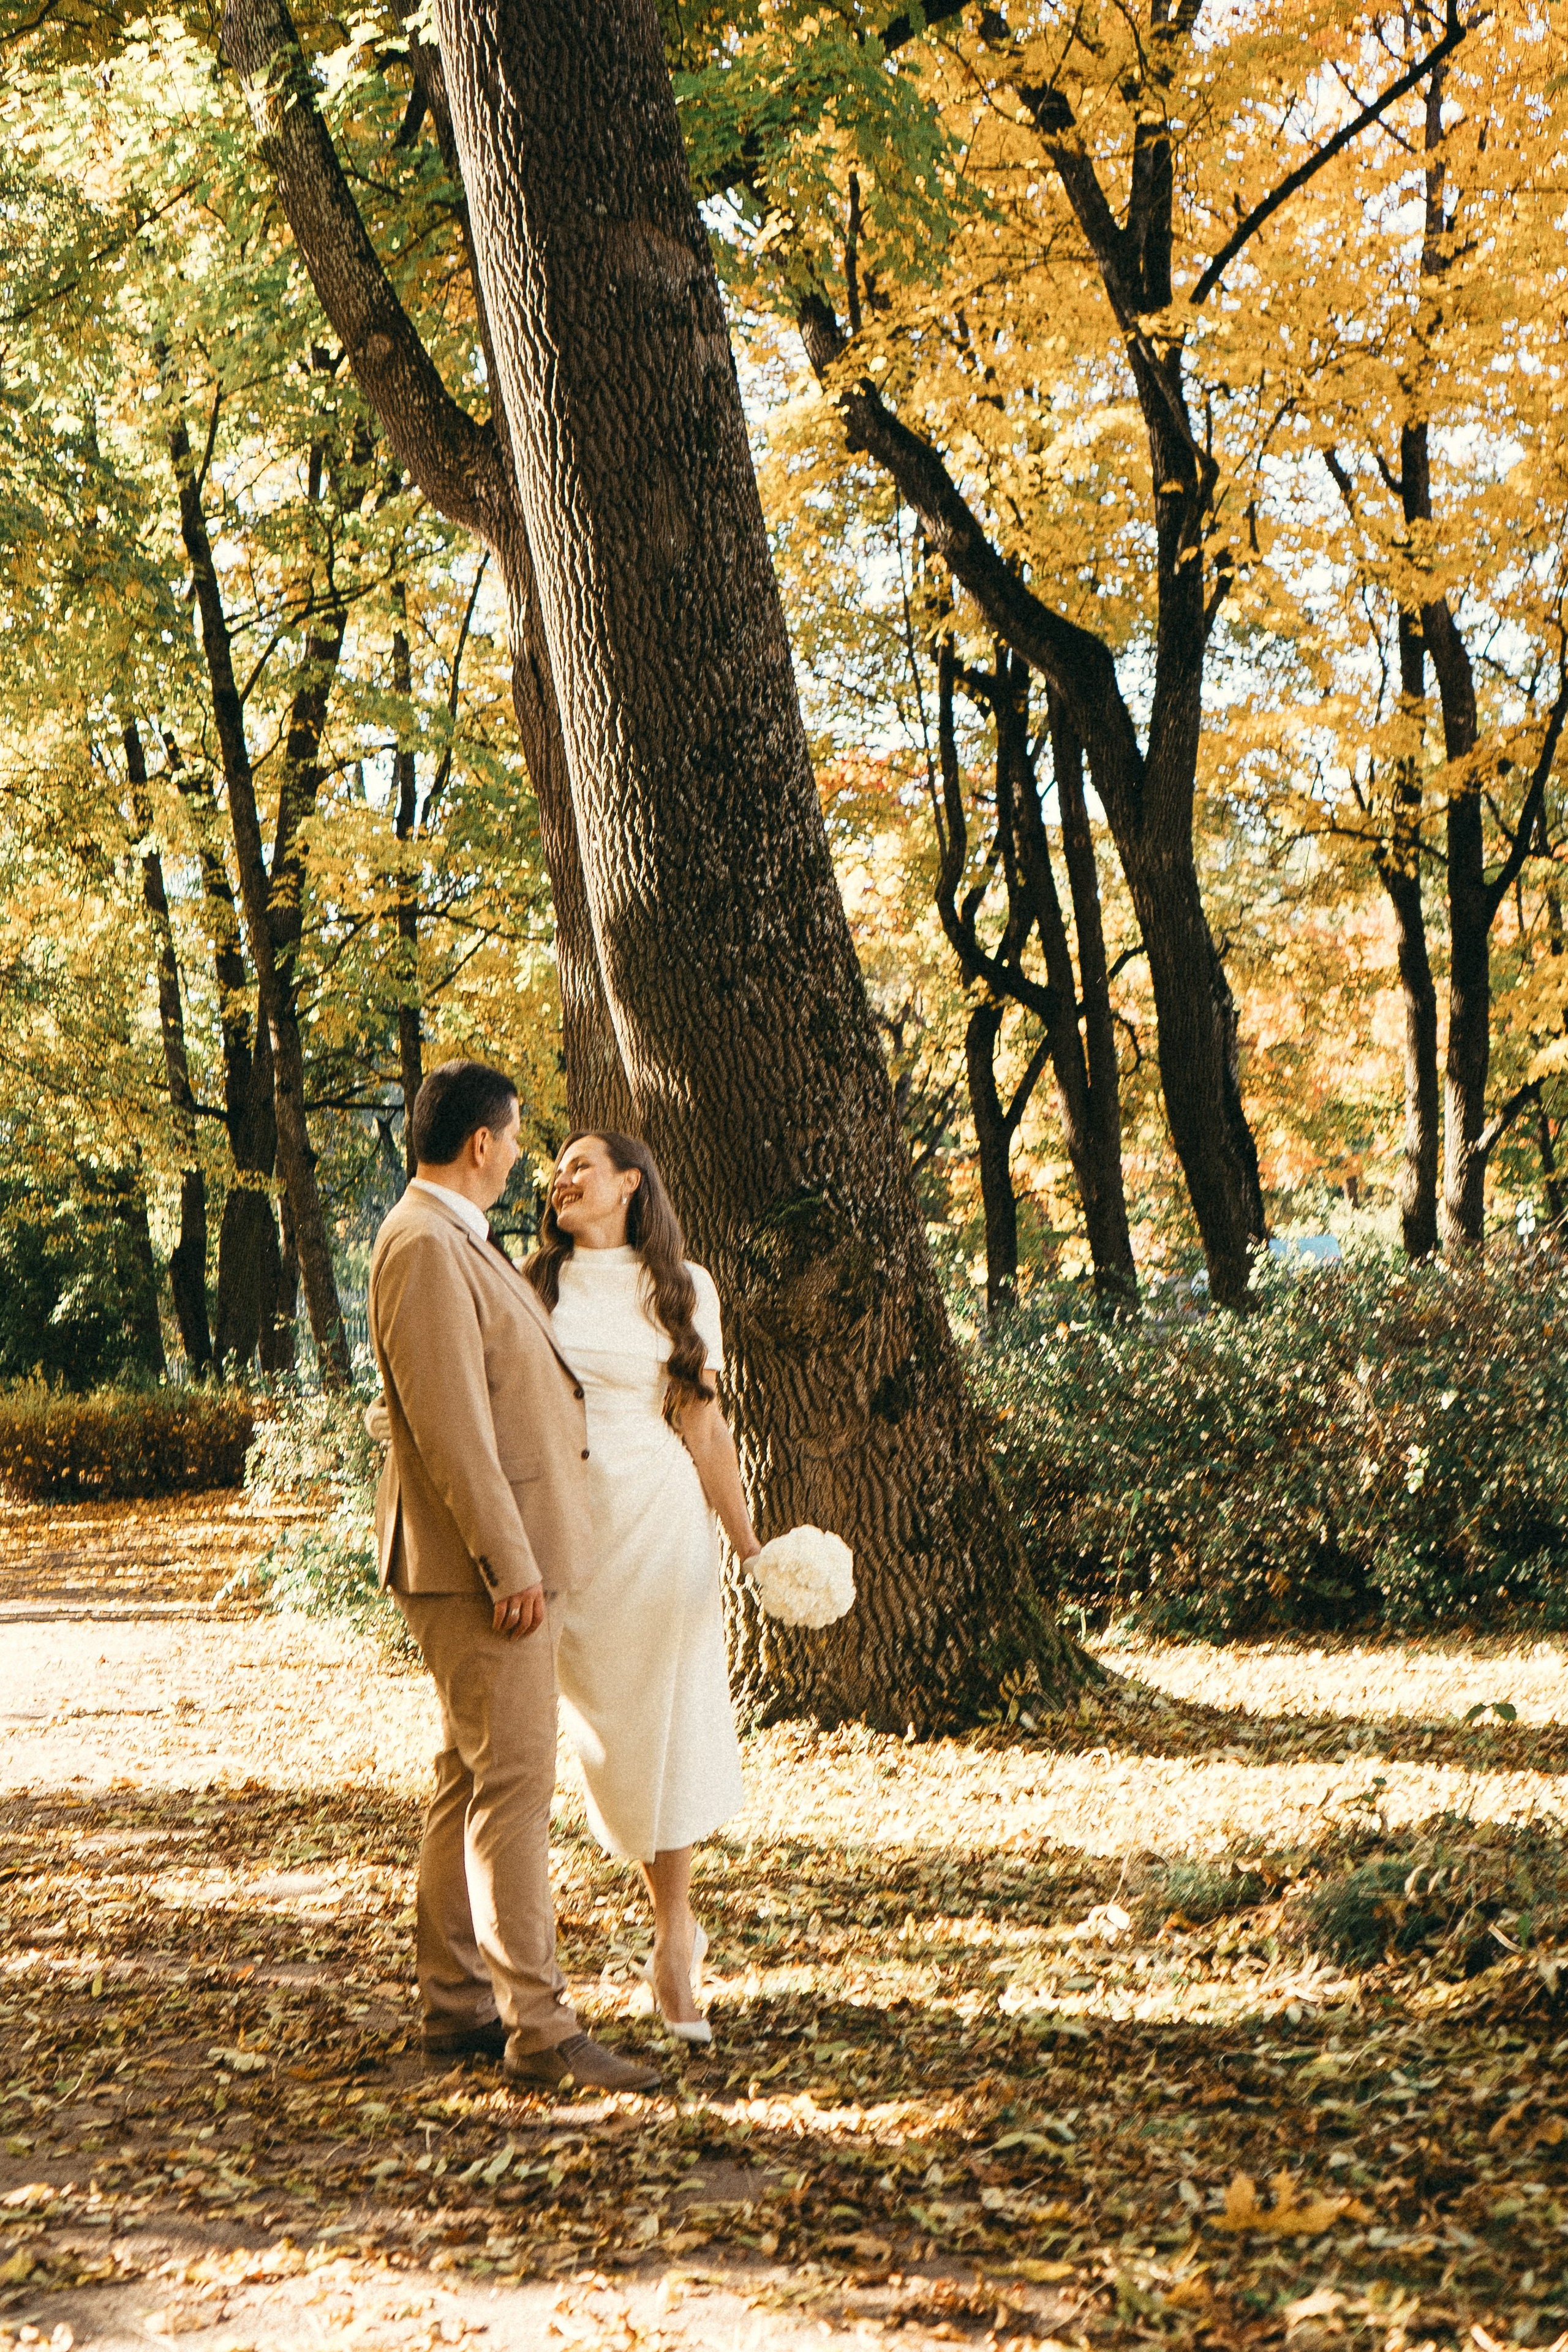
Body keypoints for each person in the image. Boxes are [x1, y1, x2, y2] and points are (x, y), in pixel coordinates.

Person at [368, 1061, 661, 2095]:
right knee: (516, 1787)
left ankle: (455, 2005)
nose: (525, 1158)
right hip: (476, 1568)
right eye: (518, 1138)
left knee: (468, 1776)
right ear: (483, 1144)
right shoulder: (424, 1244)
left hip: (485, 1561)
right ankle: (539, 2027)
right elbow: (452, 1427)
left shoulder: (451, 1239)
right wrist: (509, 1563)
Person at [527, 1131, 758, 2045]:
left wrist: (750, 1548)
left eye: (584, 1164)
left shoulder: (685, 1287)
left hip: (661, 1521)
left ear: (631, 1184)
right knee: (602, 1737)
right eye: (556, 1166)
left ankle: (672, 1940)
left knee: (666, 1725)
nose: (563, 1176)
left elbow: (705, 1428)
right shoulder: (530, 1283)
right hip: (569, 1530)